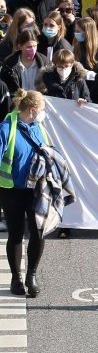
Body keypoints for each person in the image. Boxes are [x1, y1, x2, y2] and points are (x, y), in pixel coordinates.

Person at [0, 89, 50, 296]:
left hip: (36, 190)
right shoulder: (6, 128)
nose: (42, 114)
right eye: (41, 110)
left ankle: (31, 275)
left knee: (38, 233)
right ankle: (16, 278)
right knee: (16, 234)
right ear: (32, 109)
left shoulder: (39, 127)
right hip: (11, 190)